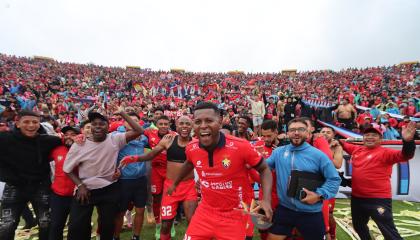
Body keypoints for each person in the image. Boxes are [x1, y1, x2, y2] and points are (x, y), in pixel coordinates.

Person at [167, 102, 273, 240]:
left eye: (209, 120)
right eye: (198, 121)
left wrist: (266, 200)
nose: (203, 125)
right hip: (205, 211)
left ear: (220, 121)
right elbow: (188, 163)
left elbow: (264, 169)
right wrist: (175, 183)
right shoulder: (192, 148)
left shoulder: (241, 146)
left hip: (236, 213)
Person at [63, 108, 143, 240]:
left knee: (107, 226)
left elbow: (139, 131)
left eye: (102, 124)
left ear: (108, 127)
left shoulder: (115, 139)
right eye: (94, 124)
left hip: (109, 188)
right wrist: (80, 185)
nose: (98, 127)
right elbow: (67, 169)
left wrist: (123, 113)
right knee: (77, 226)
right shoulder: (79, 145)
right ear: (90, 127)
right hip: (86, 189)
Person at [120, 115, 198, 240]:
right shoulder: (168, 140)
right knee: (166, 225)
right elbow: (151, 154)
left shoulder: (196, 143)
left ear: (192, 126)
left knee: (192, 221)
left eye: (188, 124)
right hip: (170, 187)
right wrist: (134, 158)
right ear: (176, 126)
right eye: (181, 124)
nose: (184, 126)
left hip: (188, 187)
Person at [336, 122, 416, 240]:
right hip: (357, 198)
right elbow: (341, 143)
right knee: (359, 227)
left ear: (380, 139)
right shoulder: (357, 150)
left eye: (374, 135)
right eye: (367, 135)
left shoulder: (386, 152)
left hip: (378, 199)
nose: (369, 137)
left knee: (388, 231)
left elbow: (406, 155)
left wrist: (408, 141)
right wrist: (335, 140)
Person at [266, 118, 341, 240]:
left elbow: (334, 179)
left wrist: (318, 195)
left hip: (310, 212)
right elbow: (264, 168)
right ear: (287, 133)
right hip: (285, 209)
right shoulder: (279, 152)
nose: (296, 133)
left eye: (301, 129)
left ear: (307, 133)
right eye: (292, 130)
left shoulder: (318, 155)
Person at [0, 110, 62, 240]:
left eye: (35, 122)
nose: (31, 125)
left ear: (39, 124)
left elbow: (67, 141)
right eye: (26, 122)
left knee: (45, 224)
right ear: (17, 123)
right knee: (7, 225)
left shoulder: (48, 140)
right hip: (14, 186)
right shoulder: (4, 138)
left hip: (40, 186)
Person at [112, 113, 149, 240]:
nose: (132, 123)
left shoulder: (143, 138)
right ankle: (116, 236)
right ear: (124, 123)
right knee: (120, 212)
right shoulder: (117, 136)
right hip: (124, 181)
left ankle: (136, 237)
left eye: (135, 121)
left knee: (140, 210)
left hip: (140, 180)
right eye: (129, 120)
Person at [143, 115, 173, 238]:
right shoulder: (150, 134)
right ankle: (158, 225)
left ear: (169, 124)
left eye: (166, 124)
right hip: (155, 171)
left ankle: (169, 226)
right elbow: (136, 131)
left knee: (170, 198)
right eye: (161, 124)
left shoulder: (174, 135)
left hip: (170, 170)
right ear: (156, 124)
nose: (163, 126)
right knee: (156, 198)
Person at [49, 125, 80, 240]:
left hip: (77, 195)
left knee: (75, 227)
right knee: (56, 225)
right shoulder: (57, 150)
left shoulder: (84, 150)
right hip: (58, 195)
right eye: (66, 134)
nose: (68, 137)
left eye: (72, 134)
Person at [320, 126, 344, 240]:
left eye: (328, 132)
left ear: (333, 135)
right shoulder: (314, 144)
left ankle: (332, 235)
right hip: (314, 183)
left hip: (328, 185)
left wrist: (326, 151)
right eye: (323, 132)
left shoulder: (337, 147)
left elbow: (338, 164)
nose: (325, 134)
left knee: (329, 214)